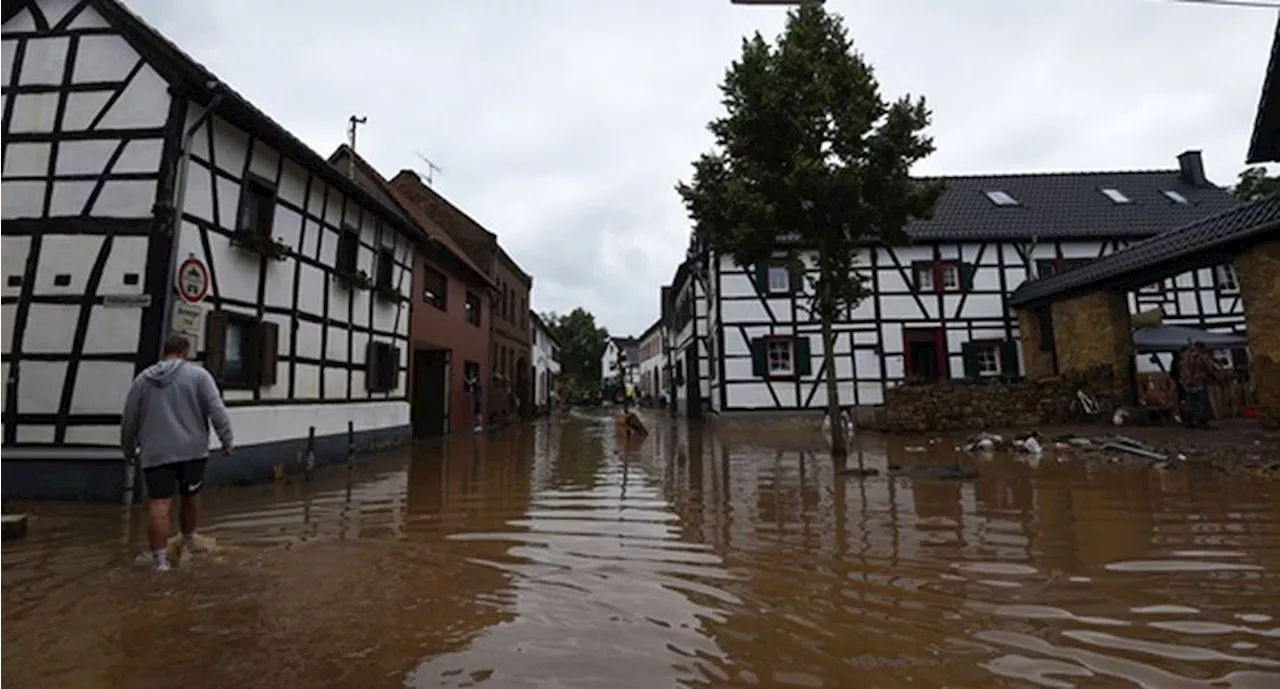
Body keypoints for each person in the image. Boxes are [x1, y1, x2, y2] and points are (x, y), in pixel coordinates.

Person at [121, 335, 234, 572]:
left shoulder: (143, 380)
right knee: (191, 497)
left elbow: (129, 419)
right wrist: (227, 440)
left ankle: (160, 562)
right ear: (185, 353)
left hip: (156, 452)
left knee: (159, 505)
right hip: (192, 451)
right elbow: (217, 409)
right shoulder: (199, 376)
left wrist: (128, 449)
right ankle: (188, 539)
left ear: (165, 352)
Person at [1177, 340, 1221, 430]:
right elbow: (1208, 367)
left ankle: (1191, 421)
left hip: (1187, 383)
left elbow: (1183, 369)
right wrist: (1214, 375)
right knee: (1201, 403)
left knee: (1191, 403)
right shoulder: (1198, 356)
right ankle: (1200, 421)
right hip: (1197, 382)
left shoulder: (1185, 355)